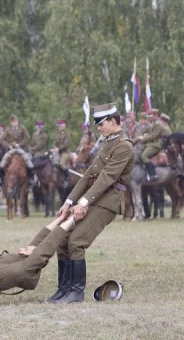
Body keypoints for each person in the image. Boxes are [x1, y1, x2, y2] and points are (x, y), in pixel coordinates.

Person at [47, 103, 135, 303]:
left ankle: (76, 293)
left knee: (76, 241)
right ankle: (64, 289)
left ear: (114, 121)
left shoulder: (124, 146)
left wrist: (83, 202)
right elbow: (89, 176)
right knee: (62, 239)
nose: (99, 128)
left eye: (102, 123)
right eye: (98, 124)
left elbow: (106, 178)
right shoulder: (108, 142)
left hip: (108, 201)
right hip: (93, 197)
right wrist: (70, 201)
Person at [0, 114, 34, 184]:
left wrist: (20, 144)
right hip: (11, 149)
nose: (14, 123)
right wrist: (8, 145)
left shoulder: (22, 128)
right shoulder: (8, 129)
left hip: (21, 149)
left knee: (29, 163)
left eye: (15, 121)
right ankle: (1, 179)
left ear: (17, 121)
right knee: (2, 164)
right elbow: (2, 140)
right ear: (10, 122)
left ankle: (30, 178)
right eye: (12, 122)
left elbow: (27, 137)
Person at [138, 109, 165, 181]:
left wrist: (143, 139)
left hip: (156, 144)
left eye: (150, 116)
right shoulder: (153, 123)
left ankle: (153, 174)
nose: (149, 117)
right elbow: (148, 132)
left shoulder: (158, 124)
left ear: (155, 115)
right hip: (150, 143)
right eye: (148, 116)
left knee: (144, 156)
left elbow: (154, 136)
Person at [54, 119, 71, 188]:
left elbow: (66, 144)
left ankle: (67, 178)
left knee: (62, 163)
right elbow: (55, 143)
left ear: (64, 126)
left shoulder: (67, 134)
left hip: (65, 153)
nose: (59, 127)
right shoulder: (58, 135)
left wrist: (58, 148)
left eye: (60, 126)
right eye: (58, 126)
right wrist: (54, 148)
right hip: (58, 153)